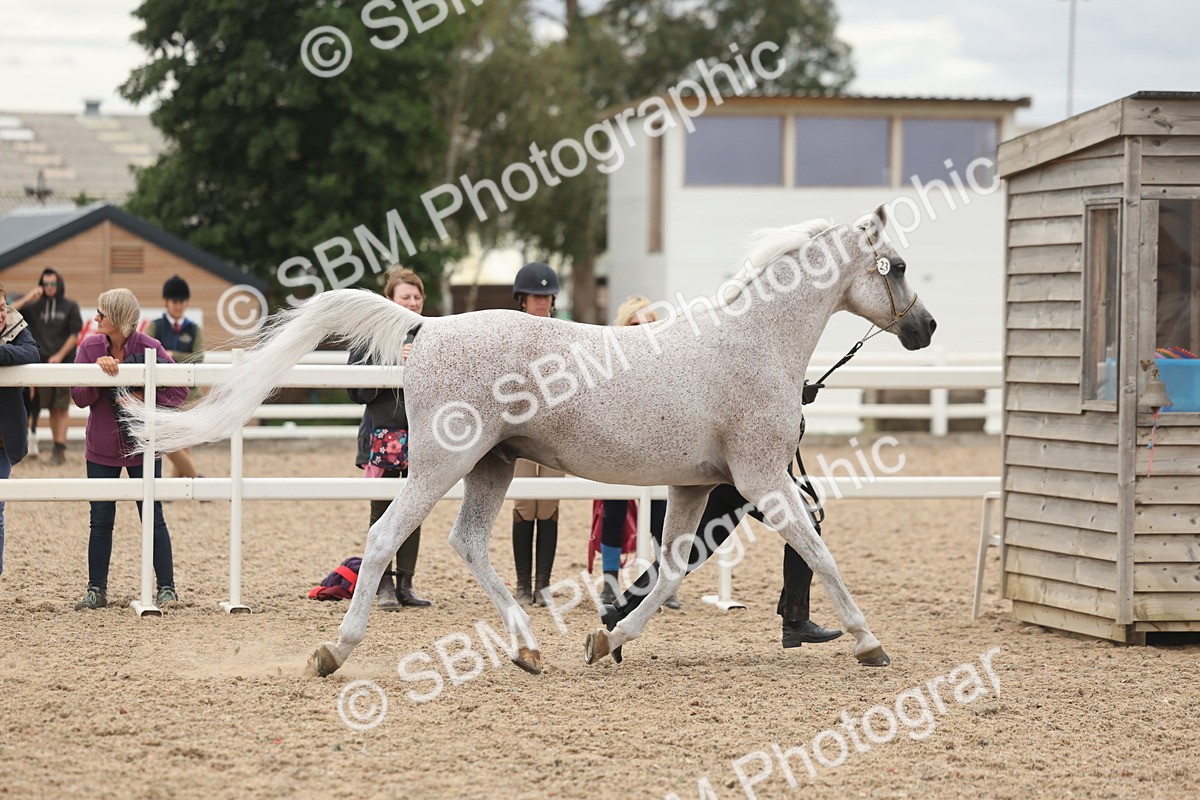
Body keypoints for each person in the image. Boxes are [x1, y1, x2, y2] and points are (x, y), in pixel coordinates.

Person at [600, 475, 843, 662]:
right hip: (751, 477)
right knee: (806, 530)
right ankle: (795, 620)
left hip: (725, 477)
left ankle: (622, 610)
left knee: (692, 551)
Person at [70, 288, 188, 611]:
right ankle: (96, 590)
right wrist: (99, 374)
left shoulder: (151, 347)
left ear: (118, 318)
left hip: (143, 447)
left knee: (152, 516)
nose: (96, 318)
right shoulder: (90, 347)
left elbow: (181, 388)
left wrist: (143, 400)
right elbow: (78, 396)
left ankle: (167, 588)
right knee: (100, 519)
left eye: (102, 313)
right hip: (101, 448)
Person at [349, 267, 432, 609]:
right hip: (383, 432)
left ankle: (406, 582)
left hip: (423, 432)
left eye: (416, 297)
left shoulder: (433, 333)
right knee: (383, 508)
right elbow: (355, 390)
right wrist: (393, 362)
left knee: (415, 508)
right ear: (389, 300)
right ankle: (381, 583)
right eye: (405, 297)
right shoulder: (371, 335)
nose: (411, 304)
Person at [597, 296, 674, 608]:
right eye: (634, 324)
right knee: (613, 513)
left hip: (656, 447)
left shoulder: (666, 361)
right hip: (619, 445)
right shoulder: (609, 360)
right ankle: (610, 581)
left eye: (647, 324)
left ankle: (663, 583)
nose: (641, 330)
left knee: (661, 516)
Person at [511, 262, 564, 606]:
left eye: (547, 296)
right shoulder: (513, 333)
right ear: (523, 299)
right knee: (524, 504)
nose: (542, 301)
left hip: (558, 429)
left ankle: (543, 582)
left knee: (548, 504)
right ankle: (522, 583)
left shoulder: (564, 333)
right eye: (535, 296)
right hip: (520, 429)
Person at [12, 268, 83, 466]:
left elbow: (74, 334)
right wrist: (28, 298)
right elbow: (10, 313)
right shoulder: (34, 306)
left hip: (64, 363)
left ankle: (59, 449)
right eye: (46, 284)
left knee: (61, 407)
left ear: (59, 284)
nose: (49, 288)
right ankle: (37, 448)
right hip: (40, 364)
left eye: (53, 284)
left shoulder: (70, 306)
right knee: (48, 407)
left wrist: (59, 355)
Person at [0, 284, 41, 577]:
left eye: (1, 308)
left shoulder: (16, 327)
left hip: (1, 440)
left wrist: (1, 354)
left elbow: (32, 352)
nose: (0, 315)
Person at [147, 276, 204, 479]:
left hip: (189, 394)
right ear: (167, 302)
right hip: (163, 393)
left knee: (183, 440)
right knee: (169, 441)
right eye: (174, 301)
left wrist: (173, 355)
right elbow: (146, 353)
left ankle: (174, 484)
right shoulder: (155, 327)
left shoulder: (194, 328)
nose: (178, 306)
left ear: (186, 302)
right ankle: (195, 478)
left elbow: (199, 357)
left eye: (181, 301)